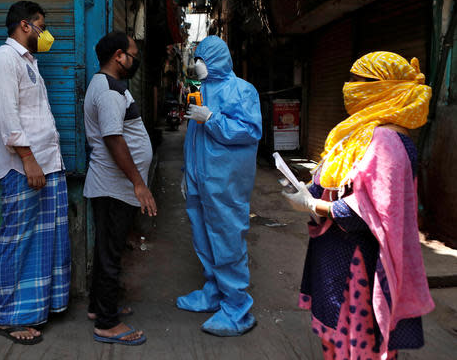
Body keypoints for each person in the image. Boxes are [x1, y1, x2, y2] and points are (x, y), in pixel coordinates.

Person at [282, 51, 435, 359]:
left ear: (382, 87)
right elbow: (341, 179)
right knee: (338, 339)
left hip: (357, 262)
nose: (348, 87)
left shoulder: (387, 140)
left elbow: (373, 210)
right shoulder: (361, 131)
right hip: (337, 251)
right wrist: (310, 189)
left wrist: (317, 206)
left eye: (357, 81)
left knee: (356, 340)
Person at [0, 0, 70, 345]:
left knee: (44, 240)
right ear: (25, 26)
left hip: (48, 165)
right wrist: (29, 161)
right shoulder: (2, 61)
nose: (45, 33)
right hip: (26, 168)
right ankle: (8, 317)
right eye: (41, 26)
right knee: (17, 240)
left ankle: (35, 308)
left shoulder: (29, 62)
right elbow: (9, 119)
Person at [177, 36, 262, 336]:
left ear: (217, 60)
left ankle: (238, 309)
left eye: (202, 58)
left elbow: (250, 131)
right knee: (203, 237)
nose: (197, 63)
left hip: (225, 181)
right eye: (196, 57)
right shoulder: (203, 91)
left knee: (226, 240)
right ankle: (214, 292)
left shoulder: (243, 90)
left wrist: (211, 118)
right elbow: (193, 138)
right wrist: (187, 173)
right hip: (201, 178)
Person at [83, 31, 157, 346]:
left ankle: (99, 307)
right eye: (132, 53)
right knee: (111, 253)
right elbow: (114, 138)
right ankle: (107, 323)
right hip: (113, 187)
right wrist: (139, 184)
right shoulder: (109, 90)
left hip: (113, 187)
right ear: (118, 55)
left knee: (107, 251)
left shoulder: (111, 87)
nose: (135, 59)